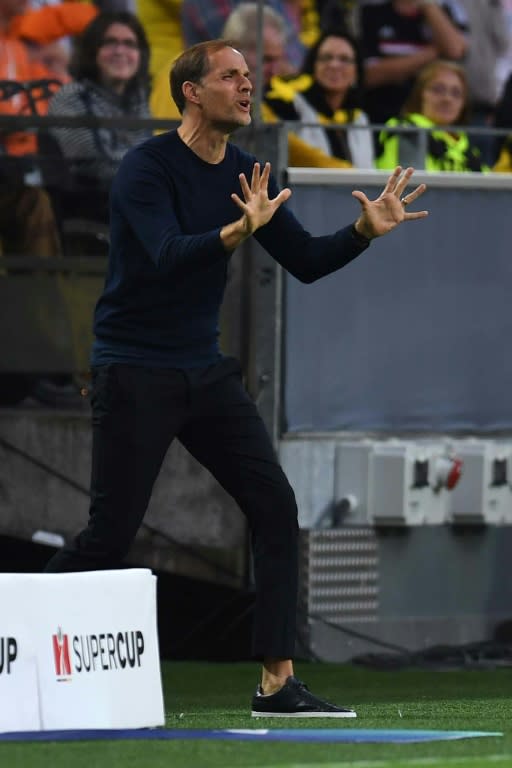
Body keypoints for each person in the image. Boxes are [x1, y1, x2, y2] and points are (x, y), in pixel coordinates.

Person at [44, 39, 427, 717]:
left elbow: (305, 259)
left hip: (205, 370)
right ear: (192, 90)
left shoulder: (249, 170)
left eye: (250, 78)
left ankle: (276, 683)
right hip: (134, 368)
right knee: (109, 536)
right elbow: (164, 256)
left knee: (275, 505)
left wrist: (362, 232)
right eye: (231, 77)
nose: (247, 88)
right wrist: (235, 231)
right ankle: (16, 638)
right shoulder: (147, 166)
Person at [47, 11, 151, 223]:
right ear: (92, 51)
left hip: (137, 193)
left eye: (130, 44)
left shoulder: (138, 98)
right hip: (89, 200)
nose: (120, 51)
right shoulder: (72, 96)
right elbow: (92, 164)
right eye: (110, 43)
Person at [265, 29, 375, 168]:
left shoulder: (359, 119)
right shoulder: (291, 106)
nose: (334, 65)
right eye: (326, 57)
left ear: (356, 72)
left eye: (344, 59)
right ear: (313, 65)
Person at [359, 0, 469, 125]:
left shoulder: (446, 10)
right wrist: (434, 51)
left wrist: (428, 5)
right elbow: (369, 75)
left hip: (435, 122)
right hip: (381, 114)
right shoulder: (372, 13)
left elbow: (455, 50)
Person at [376, 60, 487, 171]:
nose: (447, 99)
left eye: (456, 93)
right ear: (420, 94)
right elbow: (411, 183)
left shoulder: (467, 145)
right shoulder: (405, 128)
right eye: (438, 90)